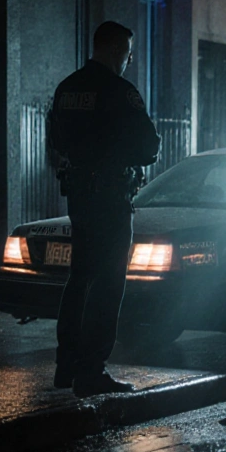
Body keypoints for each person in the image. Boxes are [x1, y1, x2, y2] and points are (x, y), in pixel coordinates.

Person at [50, 21, 161, 397]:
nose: (128, 61)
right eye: (128, 53)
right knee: (108, 281)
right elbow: (148, 148)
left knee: (79, 277)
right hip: (111, 197)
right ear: (116, 50)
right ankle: (92, 371)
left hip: (79, 196)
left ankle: (66, 366)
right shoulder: (119, 91)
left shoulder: (67, 88)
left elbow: (56, 142)